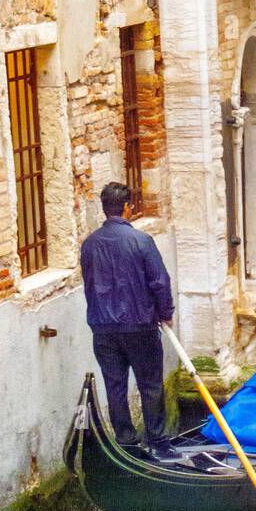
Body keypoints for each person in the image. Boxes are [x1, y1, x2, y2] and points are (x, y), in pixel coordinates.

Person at [80, 182, 174, 455]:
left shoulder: (89, 245)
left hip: (103, 328)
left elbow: (89, 283)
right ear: (126, 208)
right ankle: (158, 443)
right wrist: (165, 313)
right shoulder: (142, 241)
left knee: (116, 385)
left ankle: (126, 443)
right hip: (139, 325)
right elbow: (159, 282)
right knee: (150, 384)